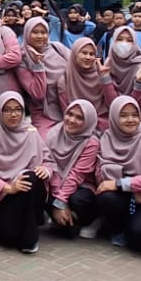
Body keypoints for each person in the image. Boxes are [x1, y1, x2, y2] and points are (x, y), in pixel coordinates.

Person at [0, 91, 52, 254]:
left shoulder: (31, 133)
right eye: (7, 110)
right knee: (7, 239)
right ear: (0, 112)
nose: (13, 114)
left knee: (31, 176)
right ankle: (12, 227)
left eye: (18, 109)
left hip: (29, 192)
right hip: (4, 195)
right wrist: (8, 187)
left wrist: (45, 169)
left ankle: (30, 240)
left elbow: (48, 161)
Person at [93, 97, 141, 253]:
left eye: (135, 115)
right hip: (125, 193)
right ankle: (118, 229)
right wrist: (132, 188)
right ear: (114, 117)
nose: (130, 120)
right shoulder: (107, 137)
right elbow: (101, 172)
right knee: (105, 196)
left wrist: (123, 184)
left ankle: (134, 227)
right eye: (123, 115)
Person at [46, 101, 102, 239]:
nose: (72, 120)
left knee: (78, 199)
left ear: (88, 121)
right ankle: (65, 219)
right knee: (42, 190)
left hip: (81, 186)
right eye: (70, 114)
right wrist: (59, 201)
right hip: (56, 183)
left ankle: (89, 220)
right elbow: (50, 167)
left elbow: (77, 175)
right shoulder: (54, 134)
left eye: (79, 117)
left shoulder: (91, 143)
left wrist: (60, 202)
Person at [17, 17, 68, 135]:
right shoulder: (23, 58)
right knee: (45, 141)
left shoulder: (57, 48)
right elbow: (38, 93)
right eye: (35, 32)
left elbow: (75, 68)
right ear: (27, 33)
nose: (40, 36)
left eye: (43, 32)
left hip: (69, 106)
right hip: (44, 112)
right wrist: (38, 65)